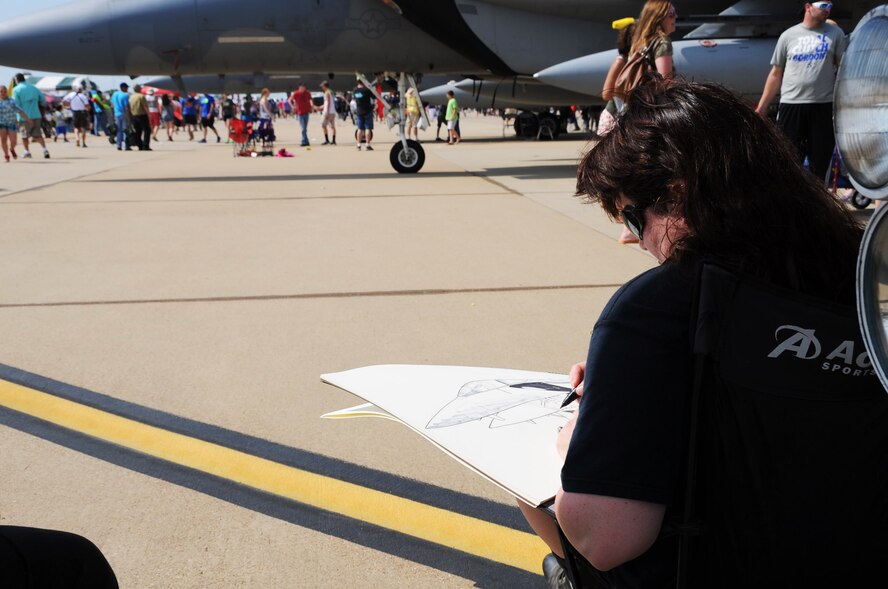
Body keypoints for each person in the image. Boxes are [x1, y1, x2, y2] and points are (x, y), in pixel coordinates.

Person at [518, 77, 867, 588]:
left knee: (537, 496)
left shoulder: (654, 310)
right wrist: (622, 384)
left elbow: (606, 539)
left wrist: (575, 435)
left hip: (709, 571)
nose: (632, 240)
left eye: (634, 220)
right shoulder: (862, 275)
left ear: (678, 195)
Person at [754, 1, 845, 180]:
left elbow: (843, 69)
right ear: (808, 7)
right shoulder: (789, 36)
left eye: (830, 6)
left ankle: (819, 204)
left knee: (820, 161)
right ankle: (790, 205)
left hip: (822, 106)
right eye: (823, 5)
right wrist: (762, 108)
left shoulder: (835, 33)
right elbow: (776, 73)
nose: (828, 10)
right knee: (788, 160)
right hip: (792, 105)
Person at [11, 73, 50, 159]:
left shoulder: (16, 89)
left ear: (16, 80)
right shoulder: (34, 87)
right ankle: (45, 150)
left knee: (24, 136)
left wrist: (16, 117)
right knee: (37, 134)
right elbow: (43, 100)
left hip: (24, 117)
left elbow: (16, 105)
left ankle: (27, 152)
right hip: (36, 114)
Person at [0, 84, 24, 162]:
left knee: (14, 141)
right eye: (1, 91)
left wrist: (28, 119)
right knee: (3, 140)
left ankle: (12, 149)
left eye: (4, 91)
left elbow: (19, 110)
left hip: (12, 123)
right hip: (1, 124)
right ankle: (6, 155)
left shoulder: (11, 100)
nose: (3, 93)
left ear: (7, 92)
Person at [352, 79, 375, 151]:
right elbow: (374, 96)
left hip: (359, 111)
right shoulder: (366, 90)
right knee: (368, 128)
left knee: (359, 128)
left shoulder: (355, 90)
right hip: (367, 110)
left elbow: (355, 99)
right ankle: (367, 145)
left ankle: (358, 145)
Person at [128, 84, 151, 150]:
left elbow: (129, 107)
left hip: (134, 116)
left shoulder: (131, 97)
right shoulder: (141, 96)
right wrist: (149, 114)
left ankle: (140, 145)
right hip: (142, 116)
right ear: (139, 89)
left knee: (138, 132)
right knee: (146, 131)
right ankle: (146, 146)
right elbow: (145, 106)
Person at [111, 81, 131, 151]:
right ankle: (126, 145)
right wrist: (130, 114)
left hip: (116, 114)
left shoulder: (115, 94)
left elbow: (112, 104)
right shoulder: (125, 95)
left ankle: (118, 145)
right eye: (126, 87)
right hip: (124, 114)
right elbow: (127, 107)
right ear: (123, 88)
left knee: (119, 130)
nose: (127, 89)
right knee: (126, 130)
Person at [317, 81, 337, 145]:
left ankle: (327, 140)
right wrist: (321, 107)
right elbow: (328, 102)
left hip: (328, 112)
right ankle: (333, 141)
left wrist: (327, 112)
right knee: (332, 126)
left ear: (325, 86)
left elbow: (328, 102)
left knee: (323, 125)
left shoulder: (327, 92)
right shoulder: (331, 91)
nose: (322, 87)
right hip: (333, 111)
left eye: (322, 86)